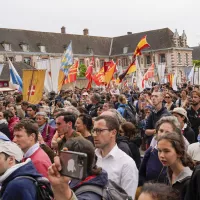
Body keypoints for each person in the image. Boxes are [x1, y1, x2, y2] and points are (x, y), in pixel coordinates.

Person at [93, 115, 138, 198]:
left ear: (113, 133)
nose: (95, 135)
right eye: (94, 130)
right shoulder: (92, 157)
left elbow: (128, 197)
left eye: (99, 130)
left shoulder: (127, 164)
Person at [157, 131, 194, 199]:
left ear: (179, 153)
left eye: (166, 151)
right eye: (159, 150)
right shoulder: (167, 170)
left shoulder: (188, 182)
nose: (161, 155)